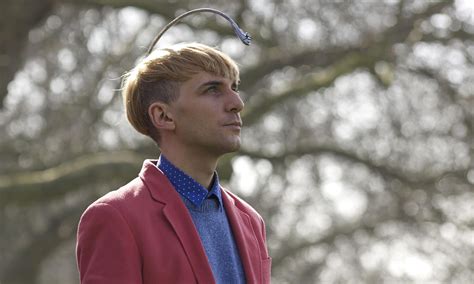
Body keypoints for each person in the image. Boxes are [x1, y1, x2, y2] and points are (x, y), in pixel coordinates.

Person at [75, 42, 271, 284]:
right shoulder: (116, 218)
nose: (237, 103)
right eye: (212, 89)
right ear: (163, 116)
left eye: (234, 87)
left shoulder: (250, 221)